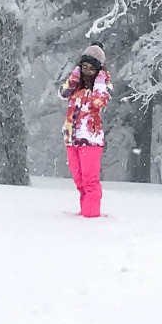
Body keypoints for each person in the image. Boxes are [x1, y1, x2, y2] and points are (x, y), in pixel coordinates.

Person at [58, 45, 112, 217]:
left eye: (92, 69)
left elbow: (98, 102)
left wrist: (101, 79)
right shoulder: (76, 88)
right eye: (84, 67)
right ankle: (85, 213)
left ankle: (91, 216)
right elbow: (62, 92)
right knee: (80, 182)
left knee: (90, 182)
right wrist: (75, 75)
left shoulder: (102, 88)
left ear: (98, 71)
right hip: (71, 140)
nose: (87, 72)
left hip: (90, 141)